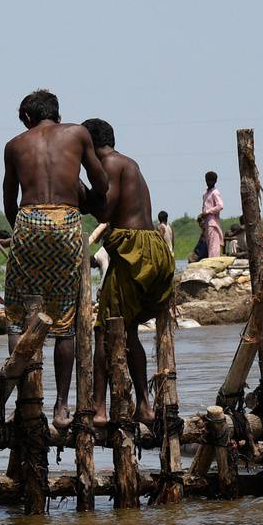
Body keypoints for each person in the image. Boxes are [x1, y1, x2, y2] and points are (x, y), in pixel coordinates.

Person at [1, 89, 107, 427]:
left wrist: (24, 230)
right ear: (57, 116)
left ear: (29, 120)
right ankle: (62, 408)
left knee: (19, 317)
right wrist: (82, 198)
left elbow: (9, 201)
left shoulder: (15, 144)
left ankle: (27, 399)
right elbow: (101, 182)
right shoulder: (77, 133)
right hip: (67, 221)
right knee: (64, 323)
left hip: (28, 219)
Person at [84, 119, 175, 424]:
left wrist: (78, 188)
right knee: (129, 328)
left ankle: (98, 408)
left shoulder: (109, 163)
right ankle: (146, 407)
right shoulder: (129, 162)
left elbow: (105, 211)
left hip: (133, 250)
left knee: (103, 330)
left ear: (90, 145)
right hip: (152, 248)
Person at [197, 172, 224, 258]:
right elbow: (204, 206)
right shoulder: (205, 193)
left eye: (211, 180)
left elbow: (220, 206)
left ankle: (213, 262)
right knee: (209, 244)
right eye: (207, 180)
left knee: (214, 245)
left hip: (213, 222)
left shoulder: (215, 192)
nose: (209, 182)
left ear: (215, 181)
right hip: (206, 222)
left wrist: (208, 211)